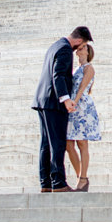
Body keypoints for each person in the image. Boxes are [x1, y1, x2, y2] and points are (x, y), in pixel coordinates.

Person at [32, 26, 93, 192]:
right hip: (54, 102)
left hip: (42, 99)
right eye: (81, 45)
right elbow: (58, 74)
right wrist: (65, 99)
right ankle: (58, 182)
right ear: (79, 41)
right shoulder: (65, 49)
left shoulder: (55, 45)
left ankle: (45, 183)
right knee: (57, 142)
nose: (77, 50)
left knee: (46, 143)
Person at [65, 41, 101, 192]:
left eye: (84, 47)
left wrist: (75, 101)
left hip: (82, 106)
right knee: (68, 143)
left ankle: (83, 178)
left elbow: (82, 87)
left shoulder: (89, 68)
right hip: (72, 106)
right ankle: (81, 176)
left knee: (82, 143)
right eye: (80, 47)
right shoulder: (76, 69)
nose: (81, 48)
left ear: (87, 51)